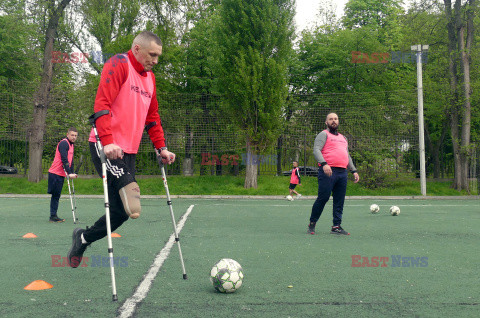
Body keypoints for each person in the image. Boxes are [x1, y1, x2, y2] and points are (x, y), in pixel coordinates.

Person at [67, 31, 176, 268]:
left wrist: (162, 148)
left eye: (158, 56)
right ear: (137, 49)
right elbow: (102, 105)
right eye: (152, 54)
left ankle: (83, 238)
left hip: (129, 151)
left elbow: (153, 117)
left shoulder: (151, 78)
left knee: (122, 212)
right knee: (133, 202)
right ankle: (83, 238)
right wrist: (107, 142)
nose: (155, 60)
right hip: (105, 145)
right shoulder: (118, 63)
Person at [308, 113, 359, 235]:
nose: (333, 121)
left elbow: (347, 155)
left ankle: (336, 226)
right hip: (328, 171)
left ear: (338, 121)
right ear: (326, 122)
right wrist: (324, 163)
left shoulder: (343, 138)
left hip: (342, 173)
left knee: (339, 200)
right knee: (323, 197)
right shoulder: (323, 134)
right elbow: (316, 150)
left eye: (336, 119)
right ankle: (312, 223)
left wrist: (354, 170)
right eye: (331, 119)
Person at [47, 127, 78, 222]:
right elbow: (64, 159)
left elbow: (70, 161)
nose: (74, 137)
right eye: (72, 135)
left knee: (57, 195)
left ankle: (53, 215)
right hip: (55, 173)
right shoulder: (64, 143)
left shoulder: (71, 145)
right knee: (55, 195)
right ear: (67, 134)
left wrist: (72, 172)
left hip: (61, 174)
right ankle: (53, 216)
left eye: (75, 135)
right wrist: (69, 173)